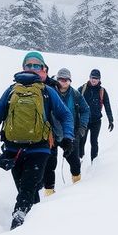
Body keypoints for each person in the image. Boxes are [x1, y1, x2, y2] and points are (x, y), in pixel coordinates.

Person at [0, 51, 74, 229]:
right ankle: (36, 223)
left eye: (37, 65)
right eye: (29, 65)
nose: (33, 68)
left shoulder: (47, 91)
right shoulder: (11, 91)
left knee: (26, 188)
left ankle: (19, 220)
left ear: (43, 69)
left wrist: (68, 137)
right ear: (23, 67)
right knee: (27, 190)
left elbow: (66, 115)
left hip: (39, 149)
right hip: (13, 149)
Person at [42, 67, 90, 195]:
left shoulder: (75, 95)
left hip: (70, 134)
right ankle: (49, 192)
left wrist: (82, 127)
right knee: (49, 164)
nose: (63, 82)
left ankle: (78, 186)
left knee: (74, 162)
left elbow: (86, 110)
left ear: (70, 81)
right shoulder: (49, 91)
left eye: (66, 80)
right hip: (51, 134)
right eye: (60, 79)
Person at [78, 68, 114, 161]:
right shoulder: (82, 89)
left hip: (96, 121)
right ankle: (80, 160)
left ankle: (94, 163)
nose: (94, 80)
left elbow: (107, 106)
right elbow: (74, 104)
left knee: (94, 142)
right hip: (83, 121)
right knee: (81, 141)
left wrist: (111, 120)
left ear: (99, 80)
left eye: (96, 78)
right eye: (92, 77)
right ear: (89, 77)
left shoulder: (102, 91)